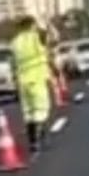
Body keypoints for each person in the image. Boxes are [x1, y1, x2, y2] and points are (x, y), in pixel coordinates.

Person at [11, 16, 53, 152]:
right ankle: (40, 136)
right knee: (41, 110)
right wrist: (47, 24)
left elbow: (12, 64)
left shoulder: (15, 42)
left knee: (28, 113)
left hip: (23, 81)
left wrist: (14, 81)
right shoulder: (37, 36)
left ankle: (32, 141)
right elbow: (53, 37)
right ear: (32, 25)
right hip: (38, 78)